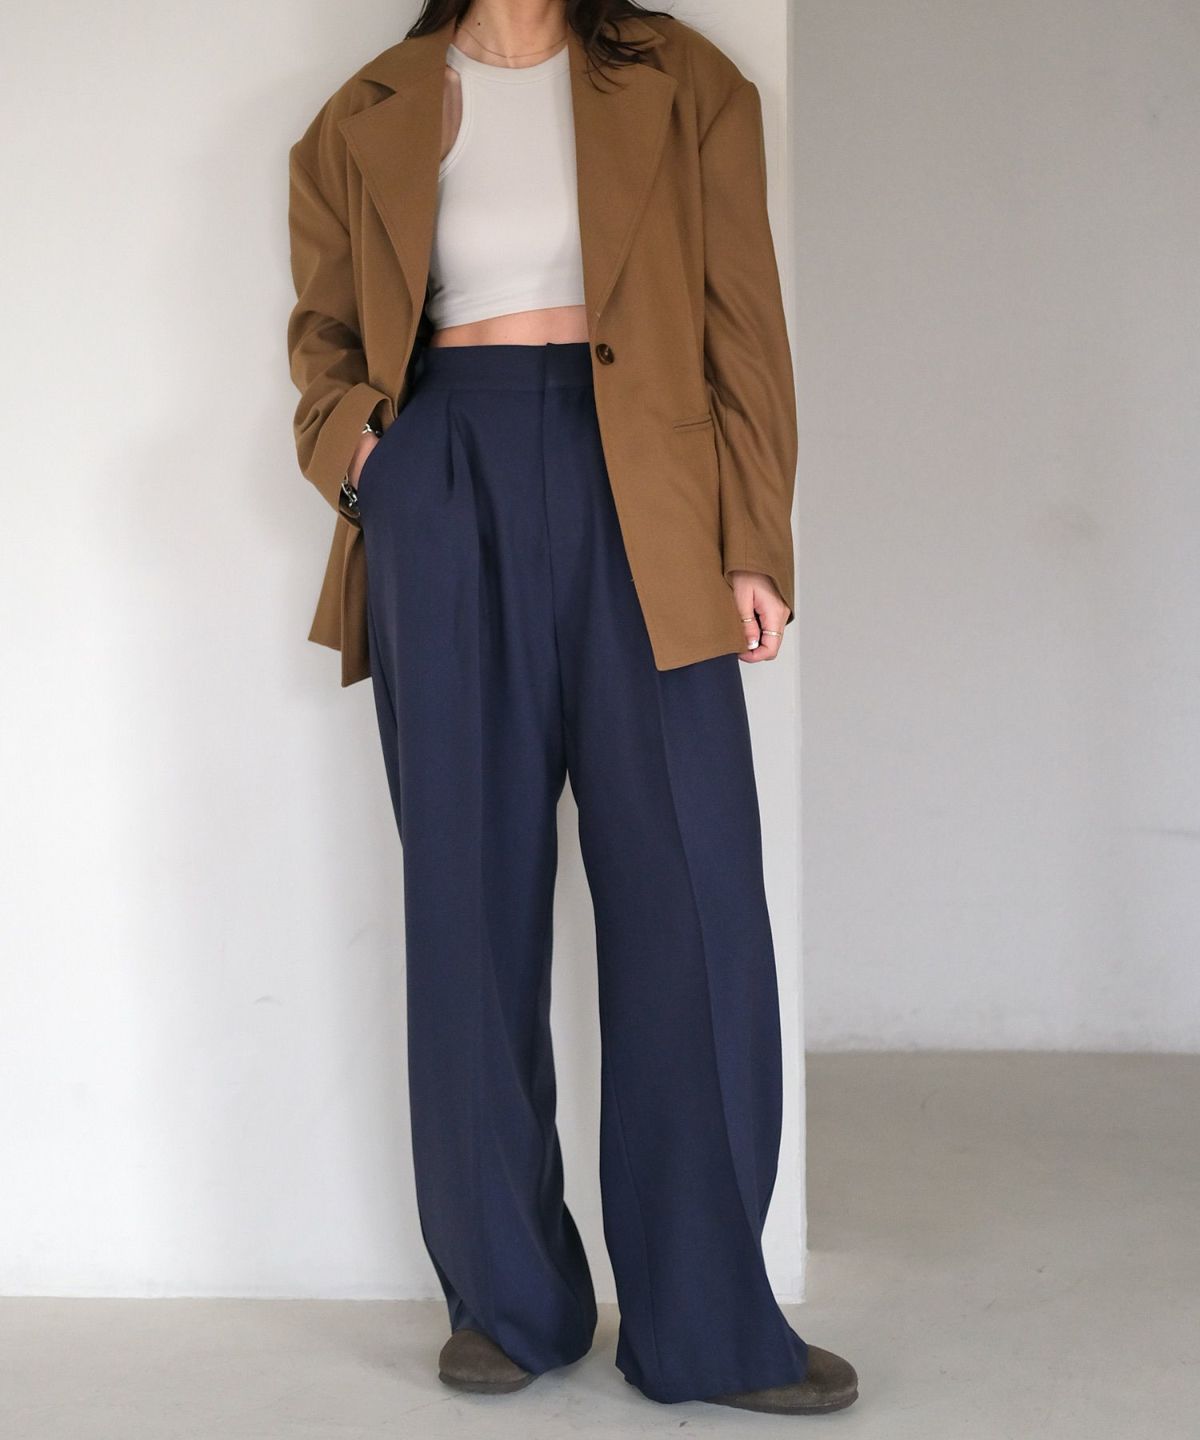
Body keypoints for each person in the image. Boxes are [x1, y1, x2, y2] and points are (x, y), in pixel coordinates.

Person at [285, 0, 858, 1416]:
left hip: (646, 498)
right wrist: (374, 465)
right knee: (468, 902)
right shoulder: (363, 112)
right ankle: (508, 1302)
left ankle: (706, 1319)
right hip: (446, 488)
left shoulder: (687, 82)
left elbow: (746, 326)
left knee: (692, 905)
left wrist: (753, 542)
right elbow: (324, 339)